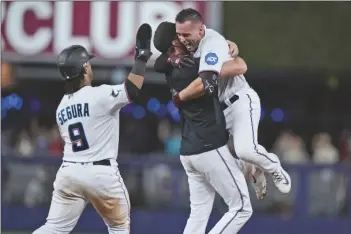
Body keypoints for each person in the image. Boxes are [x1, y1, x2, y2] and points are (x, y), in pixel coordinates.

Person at [32, 23, 153, 234]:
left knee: (53, 228)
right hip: (100, 173)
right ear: (85, 67)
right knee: (119, 227)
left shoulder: (62, 106)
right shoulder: (99, 95)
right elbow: (131, 90)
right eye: (88, 62)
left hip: (69, 171)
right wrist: (141, 58)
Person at [174, 8, 291, 195]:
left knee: (245, 150)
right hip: (216, 109)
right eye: (179, 34)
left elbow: (225, 72)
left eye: (186, 34)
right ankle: (255, 168)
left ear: (201, 30)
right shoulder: (183, 42)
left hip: (239, 100)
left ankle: (273, 166)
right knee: (223, 158)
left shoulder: (212, 43)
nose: (181, 38)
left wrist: (180, 97)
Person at [154, 21, 252, 234]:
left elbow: (158, 62)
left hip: (189, 149)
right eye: (179, 34)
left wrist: (224, 44)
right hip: (208, 145)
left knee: (198, 213)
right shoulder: (192, 66)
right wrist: (225, 46)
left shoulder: (171, 64)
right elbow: (240, 66)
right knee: (242, 207)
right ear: (174, 41)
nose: (184, 36)